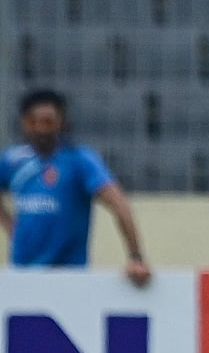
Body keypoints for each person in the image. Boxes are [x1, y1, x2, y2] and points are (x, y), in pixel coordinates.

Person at [0, 89, 151, 287]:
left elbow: (118, 203)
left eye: (48, 121)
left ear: (61, 122)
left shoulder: (79, 160)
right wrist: (10, 225)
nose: (40, 129)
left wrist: (136, 257)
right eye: (33, 121)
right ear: (24, 122)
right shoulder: (13, 160)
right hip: (23, 274)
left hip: (70, 277)